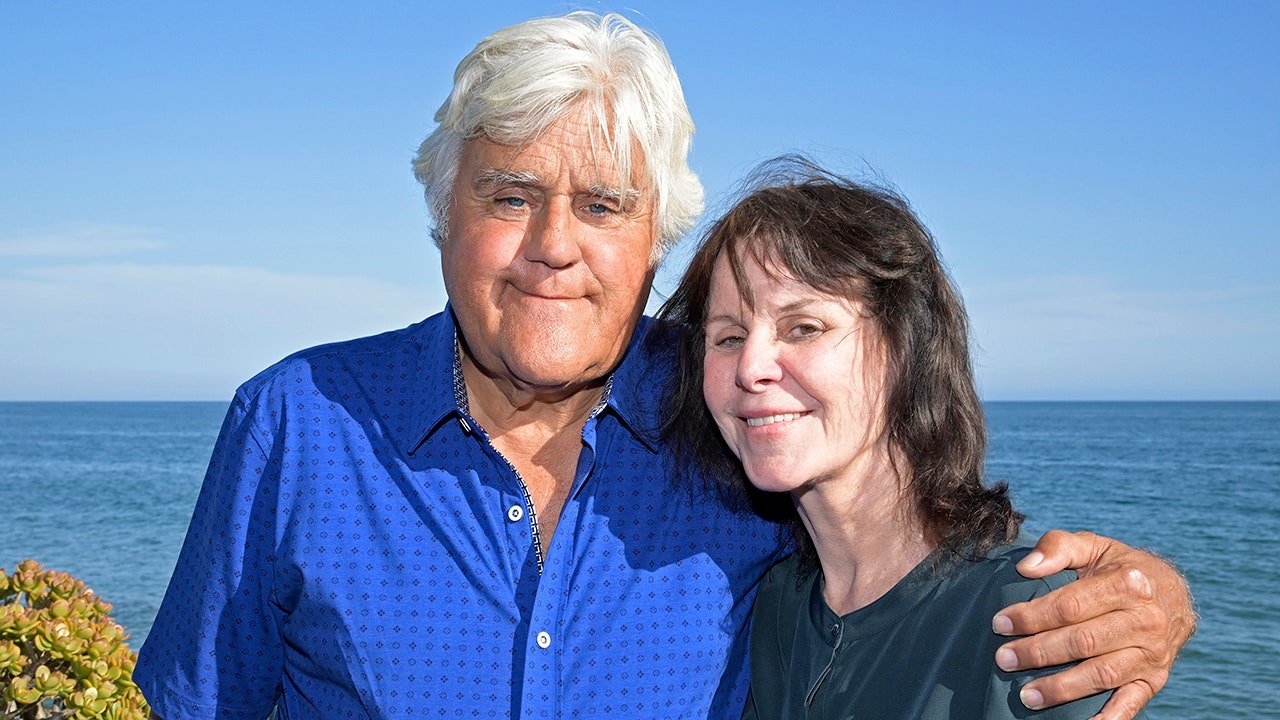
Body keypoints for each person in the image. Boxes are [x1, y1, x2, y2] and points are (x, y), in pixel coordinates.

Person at [134, 12, 1193, 720]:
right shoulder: (299, 422)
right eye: (509, 196)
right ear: (441, 216)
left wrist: (1150, 598)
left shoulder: (731, 408)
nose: (553, 245)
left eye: (602, 205)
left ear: (654, 243)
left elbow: (906, 560)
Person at [658, 158, 1155, 718]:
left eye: (804, 327)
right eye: (728, 337)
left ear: (905, 348)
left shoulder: (1029, 620)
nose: (752, 368)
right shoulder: (778, 608)